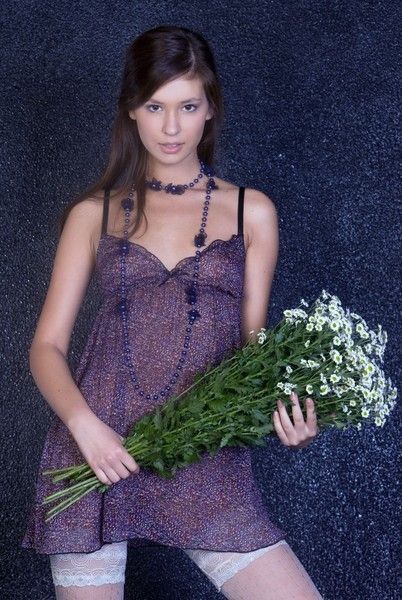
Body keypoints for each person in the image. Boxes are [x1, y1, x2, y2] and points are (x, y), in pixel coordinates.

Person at [21, 25, 322, 600]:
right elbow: (46, 347)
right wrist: (86, 428)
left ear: (210, 110)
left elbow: (254, 351)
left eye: (187, 106)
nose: (170, 127)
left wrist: (291, 418)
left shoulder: (251, 211)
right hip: (95, 455)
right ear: (132, 109)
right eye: (155, 106)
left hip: (203, 451)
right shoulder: (94, 213)